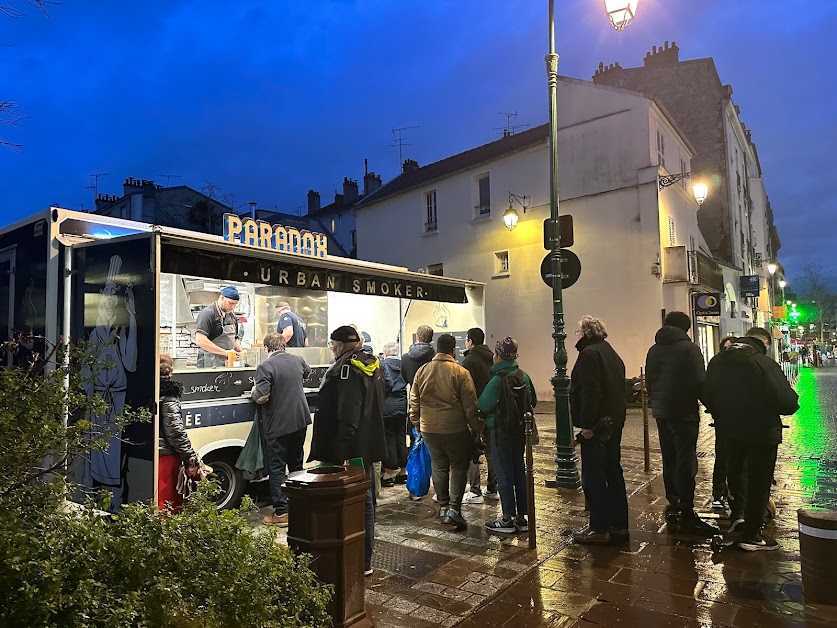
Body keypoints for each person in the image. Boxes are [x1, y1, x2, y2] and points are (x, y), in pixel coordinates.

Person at [704, 327, 799, 551]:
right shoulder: (762, 363)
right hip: (761, 432)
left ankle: (738, 515)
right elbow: (787, 402)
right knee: (759, 480)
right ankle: (752, 534)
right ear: (765, 343)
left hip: (729, 430)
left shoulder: (717, 361)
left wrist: (723, 415)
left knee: (735, 473)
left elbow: (707, 395)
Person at [309, 325, 387, 575]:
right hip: (368, 443)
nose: (331, 348)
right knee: (367, 499)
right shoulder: (371, 363)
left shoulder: (347, 369)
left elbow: (348, 412)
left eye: (332, 344)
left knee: (360, 501)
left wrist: (343, 452)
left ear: (340, 344)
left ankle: (361, 559)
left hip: (350, 448)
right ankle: (362, 556)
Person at [645, 312, 717, 536]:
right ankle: (687, 510)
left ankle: (673, 500)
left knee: (669, 456)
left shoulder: (654, 349)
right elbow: (699, 381)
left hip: (661, 411)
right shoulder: (689, 349)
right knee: (685, 458)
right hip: (683, 412)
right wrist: (714, 407)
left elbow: (650, 381)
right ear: (686, 328)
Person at [409, 333, 482, 531]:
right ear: (453, 350)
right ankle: (455, 510)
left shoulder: (422, 370)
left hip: (429, 428)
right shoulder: (460, 372)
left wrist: (416, 421)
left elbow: (414, 399)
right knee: (459, 466)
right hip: (454, 428)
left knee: (439, 466)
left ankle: (443, 507)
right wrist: (476, 427)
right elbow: (470, 405)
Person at [570, 316, 629, 545]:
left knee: (594, 477)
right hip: (613, 422)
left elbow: (590, 392)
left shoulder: (589, 354)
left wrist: (586, 426)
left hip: (598, 426)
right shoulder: (609, 352)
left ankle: (599, 527)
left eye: (578, 332)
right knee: (613, 472)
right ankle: (619, 524)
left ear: (585, 333)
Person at [251, 333, 312, 527]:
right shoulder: (298, 360)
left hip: (277, 424)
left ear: (266, 349)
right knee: (296, 464)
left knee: (277, 468)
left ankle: (282, 512)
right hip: (300, 420)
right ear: (283, 346)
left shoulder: (265, 366)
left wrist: (253, 391)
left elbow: (262, 397)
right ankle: (299, 505)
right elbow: (307, 373)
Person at [479, 337, 537, 534]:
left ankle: (506, 519)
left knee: (504, 473)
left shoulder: (497, 380)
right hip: (520, 431)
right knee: (520, 470)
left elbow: (483, 405)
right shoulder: (523, 376)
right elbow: (534, 401)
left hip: (501, 431)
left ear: (498, 356)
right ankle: (522, 518)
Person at [462, 327, 498, 504]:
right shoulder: (491, 357)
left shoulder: (469, 361)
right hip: (491, 409)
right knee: (491, 449)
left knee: (473, 450)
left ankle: (475, 490)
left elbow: (466, 389)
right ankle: (492, 488)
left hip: (475, 410)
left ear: (470, 341)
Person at [158, 354, 197, 514]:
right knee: (167, 504)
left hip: (150, 456)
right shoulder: (169, 397)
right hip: (166, 458)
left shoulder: (144, 392)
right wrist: (190, 458)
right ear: (170, 372)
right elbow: (175, 432)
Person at [710, 335, 737, 510]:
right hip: (723, 418)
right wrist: (715, 410)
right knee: (722, 456)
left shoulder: (744, 365)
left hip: (741, 418)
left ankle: (735, 492)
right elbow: (708, 388)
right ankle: (718, 492)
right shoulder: (716, 363)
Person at [380, 342, 409, 487]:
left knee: (389, 438)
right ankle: (403, 472)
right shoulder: (404, 364)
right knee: (401, 436)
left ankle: (389, 473)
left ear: (385, 353)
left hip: (388, 407)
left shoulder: (383, 365)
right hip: (402, 405)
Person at [195, 286, 242, 368]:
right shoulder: (208, 314)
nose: (233, 307)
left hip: (227, 363)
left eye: (235, 304)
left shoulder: (232, 316)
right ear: (222, 298)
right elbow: (200, 340)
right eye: (230, 303)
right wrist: (225, 353)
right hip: (209, 364)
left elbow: (235, 340)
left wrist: (242, 353)